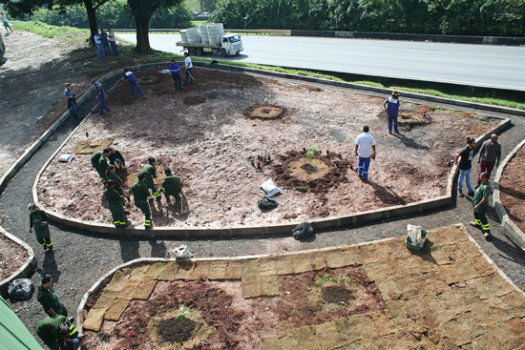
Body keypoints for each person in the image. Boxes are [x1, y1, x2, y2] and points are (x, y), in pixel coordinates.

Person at [470, 172, 493, 239]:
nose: (480, 177)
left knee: (482, 217)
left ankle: (487, 231)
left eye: (481, 176)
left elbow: (484, 199)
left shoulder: (487, 187)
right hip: (476, 203)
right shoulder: (483, 183)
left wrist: (478, 205)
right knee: (476, 214)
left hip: (481, 206)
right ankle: (478, 224)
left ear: (485, 178)